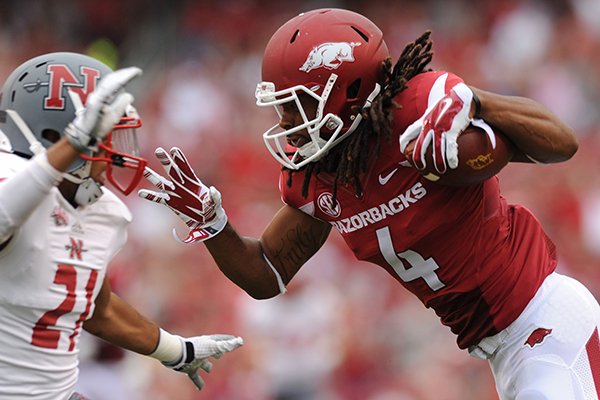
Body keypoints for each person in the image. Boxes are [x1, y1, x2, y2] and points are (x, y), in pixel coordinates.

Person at [138, 8, 599, 400]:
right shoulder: (318, 178)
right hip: (503, 347)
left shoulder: (419, 112)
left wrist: (477, 102)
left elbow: (560, 144)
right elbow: (267, 274)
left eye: (296, 105)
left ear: (348, 91)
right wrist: (215, 225)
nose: (286, 123)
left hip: (545, 322)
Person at [0, 52, 243, 400]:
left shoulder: (99, 211)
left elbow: (98, 308)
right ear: (58, 134)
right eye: (103, 137)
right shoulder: (10, 179)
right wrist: (71, 148)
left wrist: (176, 350)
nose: (114, 154)